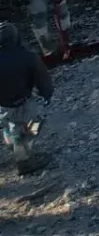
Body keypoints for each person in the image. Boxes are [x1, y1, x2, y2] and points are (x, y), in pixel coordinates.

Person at [0, 21, 52, 171]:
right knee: (36, 122)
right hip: (21, 102)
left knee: (9, 125)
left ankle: (12, 143)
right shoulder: (29, 57)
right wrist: (46, 94)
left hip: (2, 106)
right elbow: (43, 80)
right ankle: (23, 160)